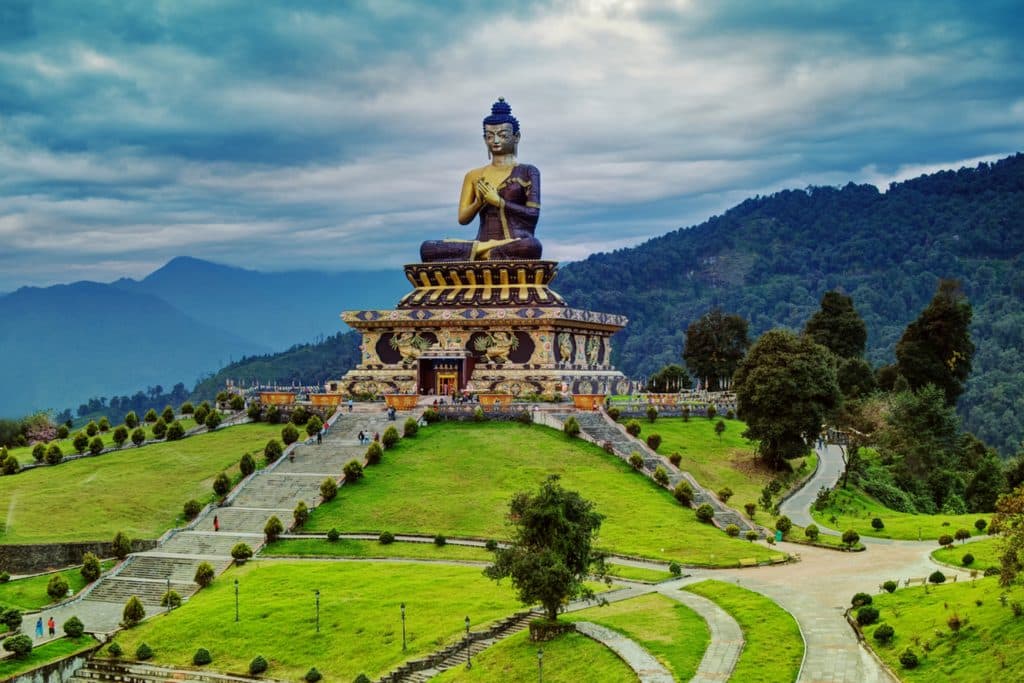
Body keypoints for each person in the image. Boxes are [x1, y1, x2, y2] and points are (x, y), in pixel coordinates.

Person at [420, 98, 542, 262]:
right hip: (482, 241)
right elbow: (463, 219)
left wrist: (499, 202)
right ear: (485, 139)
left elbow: (532, 214)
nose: (496, 141)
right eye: (490, 136)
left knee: (532, 247)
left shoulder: (528, 172)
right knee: (428, 248)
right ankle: (484, 250)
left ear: (516, 137)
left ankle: (476, 255)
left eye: (502, 135)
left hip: (515, 242)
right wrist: (479, 202)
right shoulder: (473, 175)